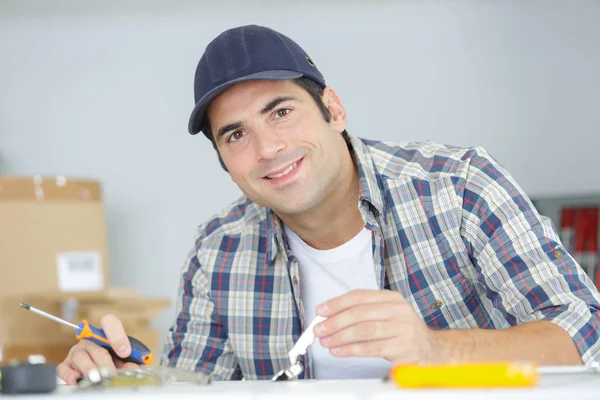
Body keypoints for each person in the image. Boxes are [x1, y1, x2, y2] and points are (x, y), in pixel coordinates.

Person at [57, 24, 600, 384]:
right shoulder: (219, 250)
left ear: (333, 110)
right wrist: (124, 377)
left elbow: (584, 332)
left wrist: (435, 350)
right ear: (224, 159)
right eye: (236, 135)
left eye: (282, 112)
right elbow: (196, 387)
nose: (268, 149)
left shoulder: (459, 187)